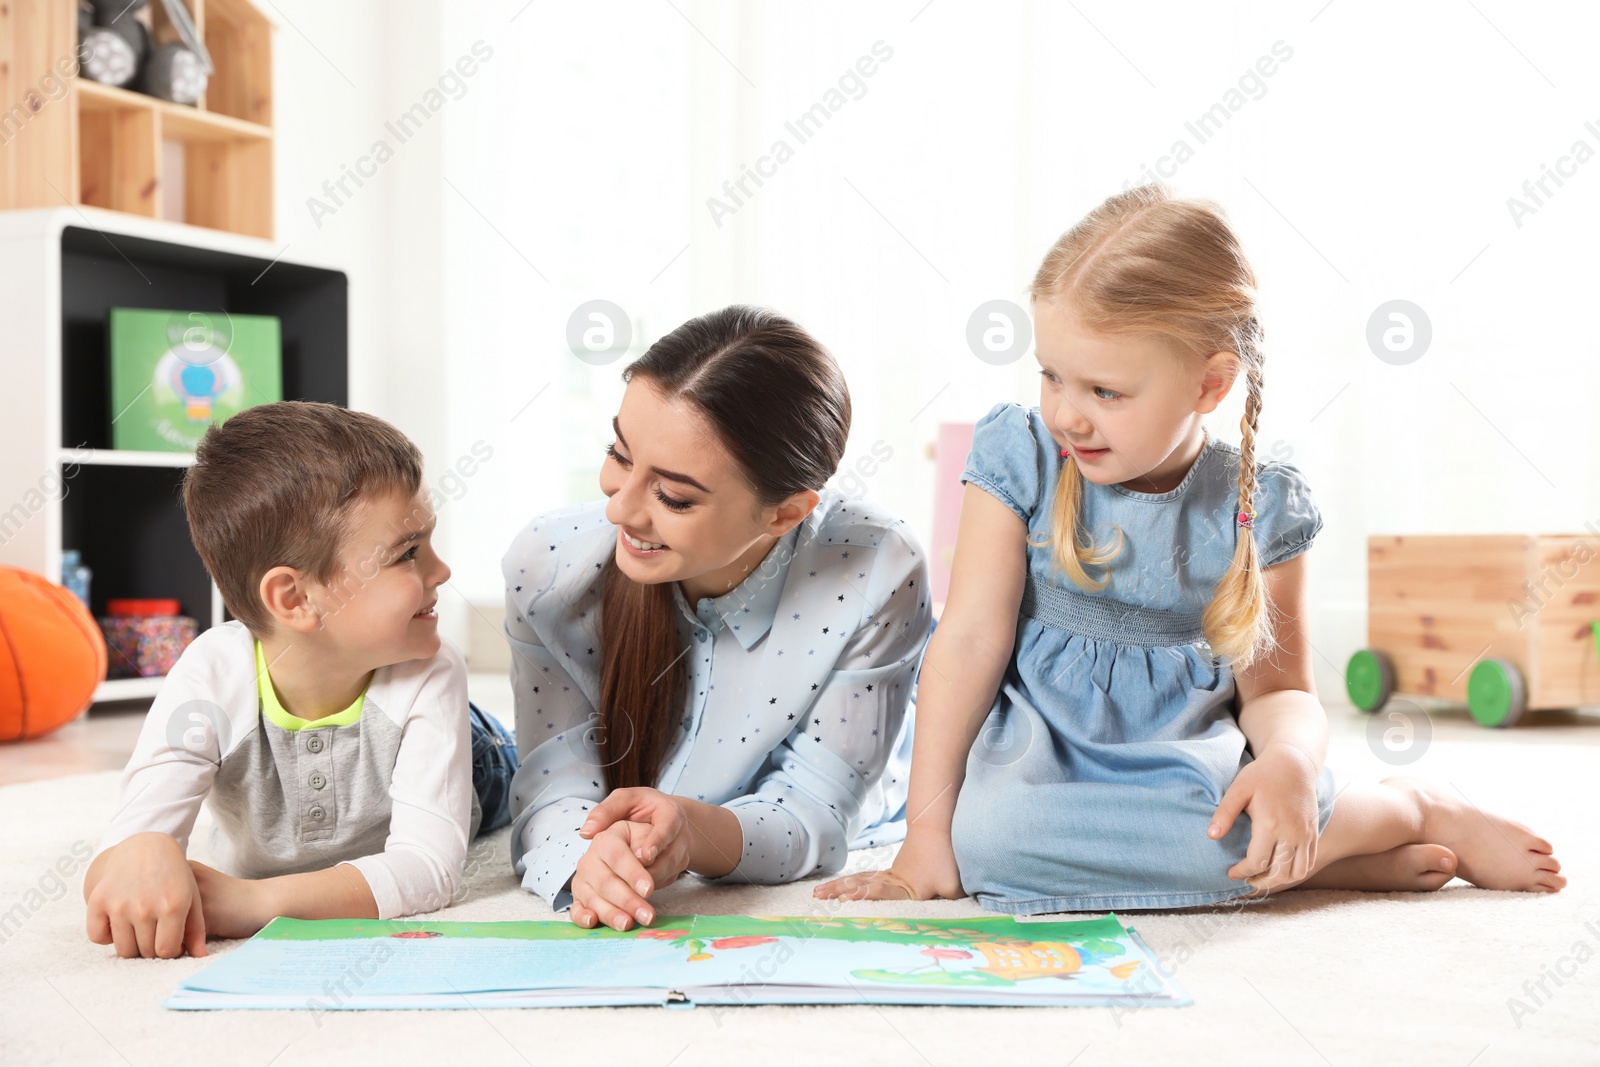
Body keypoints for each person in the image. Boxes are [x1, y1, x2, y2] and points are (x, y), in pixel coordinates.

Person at [818, 184, 1564, 911]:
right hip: (1038, 765)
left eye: (1105, 392)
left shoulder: (1258, 502)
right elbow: (968, 641)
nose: (1068, 414)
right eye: (1051, 375)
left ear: (1210, 384)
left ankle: (1414, 808)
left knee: (1228, 833)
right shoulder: (1022, 455)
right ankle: (1337, 857)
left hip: (1181, 763)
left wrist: (1289, 763)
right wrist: (924, 837)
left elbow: (1280, 692)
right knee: (988, 846)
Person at [503, 305, 932, 931]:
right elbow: (552, 786)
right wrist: (586, 859)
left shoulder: (875, 566)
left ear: (785, 513)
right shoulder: (547, 567)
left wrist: (696, 835)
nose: (620, 509)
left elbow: (815, 810)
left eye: (673, 497)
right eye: (619, 455)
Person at [82, 402, 517, 958]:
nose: (443, 571)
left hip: (483, 762)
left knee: (536, 778)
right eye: (408, 553)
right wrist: (140, 848)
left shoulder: (430, 669)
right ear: (295, 598)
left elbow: (428, 869)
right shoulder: (211, 674)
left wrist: (250, 902)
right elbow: (114, 861)